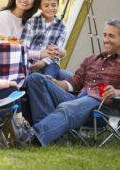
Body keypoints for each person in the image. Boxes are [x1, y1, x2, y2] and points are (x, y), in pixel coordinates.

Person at [18, 18, 120, 147]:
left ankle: (32, 135)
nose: (106, 39)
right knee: (35, 79)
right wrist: (56, 83)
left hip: (103, 105)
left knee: (69, 107)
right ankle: (54, 136)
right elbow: (74, 82)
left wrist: (116, 91)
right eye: (105, 35)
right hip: (79, 98)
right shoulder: (92, 59)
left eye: (111, 36)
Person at [0, 0, 69, 79]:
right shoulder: (5, 16)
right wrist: (40, 54)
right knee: (37, 79)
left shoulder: (32, 19)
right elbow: (8, 50)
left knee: (68, 77)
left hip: (47, 63)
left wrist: (61, 53)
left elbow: (58, 47)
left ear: (35, 3)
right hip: (12, 64)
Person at [20, 0, 67, 79]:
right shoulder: (32, 22)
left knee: (49, 75)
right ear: (40, 7)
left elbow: (57, 51)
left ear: (58, 4)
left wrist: (44, 62)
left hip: (50, 63)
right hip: (31, 61)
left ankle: (48, 83)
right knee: (31, 76)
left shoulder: (62, 27)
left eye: (53, 5)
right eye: (46, 5)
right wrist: (32, 63)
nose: (50, 8)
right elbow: (24, 48)